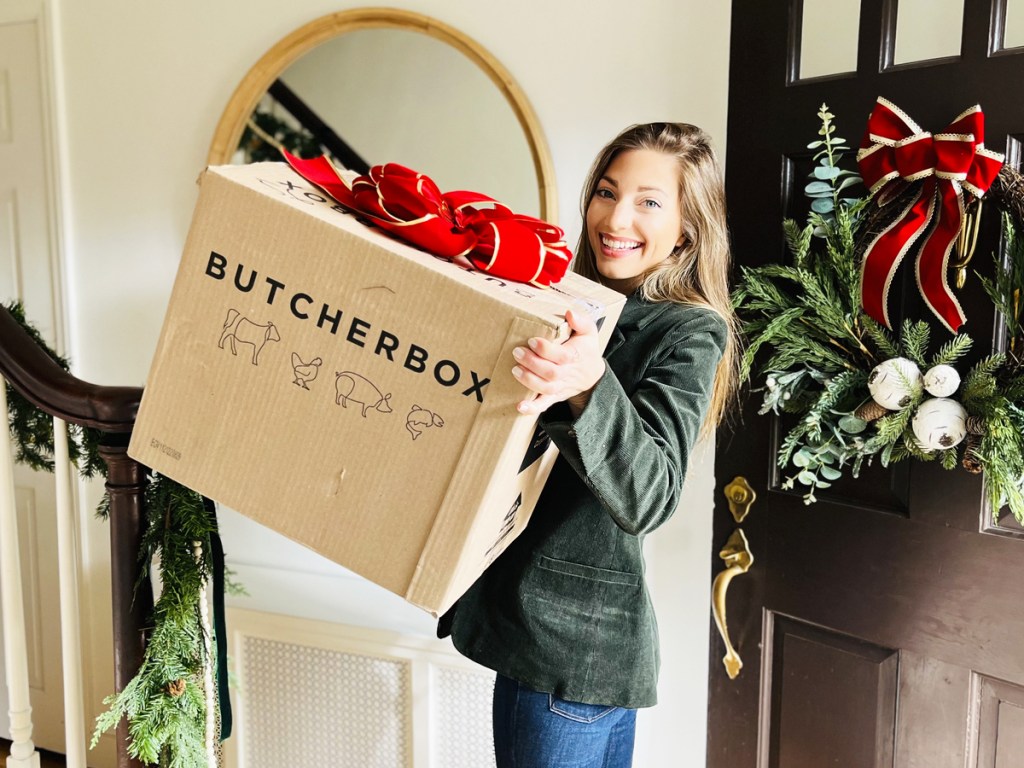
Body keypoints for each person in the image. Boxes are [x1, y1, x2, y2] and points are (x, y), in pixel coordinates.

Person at [438, 122, 740, 768]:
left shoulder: (688, 330)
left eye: (648, 202)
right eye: (606, 192)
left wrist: (588, 384)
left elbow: (649, 494)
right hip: (567, 651)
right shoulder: (572, 301)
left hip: (568, 654)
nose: (616, 217)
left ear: (687, 228)